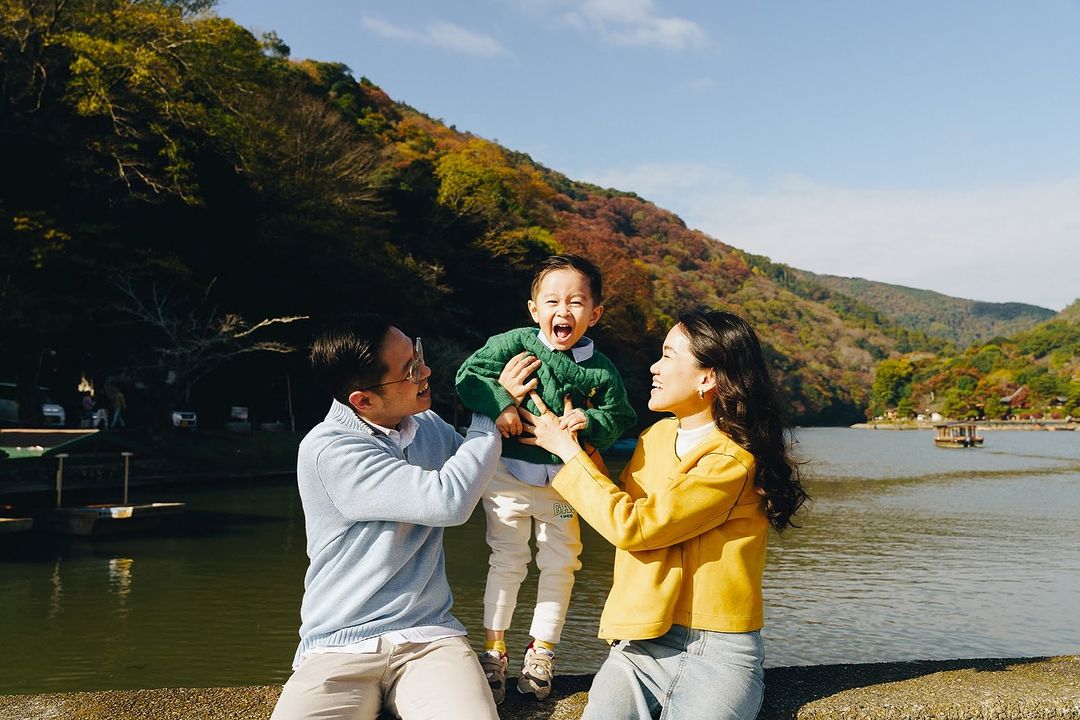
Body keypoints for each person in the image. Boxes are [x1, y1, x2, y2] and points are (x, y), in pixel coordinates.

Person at [518, 309, 808, 720]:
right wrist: (578, 445)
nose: (654, 367)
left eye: (669, 356)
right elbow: (618, 504)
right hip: (640, 638)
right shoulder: (657, 436)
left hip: (718, 648)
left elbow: (636, 528)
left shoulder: (732, 460)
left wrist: (567, 452)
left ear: (708, 378)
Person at [270, 314, 534, 720]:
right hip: (338, 647)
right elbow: (449, 499)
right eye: (411, 370)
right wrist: (490, 408)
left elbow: (479, 468)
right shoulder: (330, 450)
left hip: (428, 638)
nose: (426, 371)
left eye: (419, 355)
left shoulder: (426, 425)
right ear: (363, 400)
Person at [455, 254, 637, 702]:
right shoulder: (513, 343)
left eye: (576, 302)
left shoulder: (602, 369)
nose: (564, 311)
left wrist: (588, 422)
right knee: (508, 558)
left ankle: (542, 650)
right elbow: (467, 376)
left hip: (565, 480)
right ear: (534, 309)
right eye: (552, 301)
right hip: (509, 476)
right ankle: (494, 650)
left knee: (561, 562)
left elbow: (621, 415)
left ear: (595, 313)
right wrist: (500, 403)